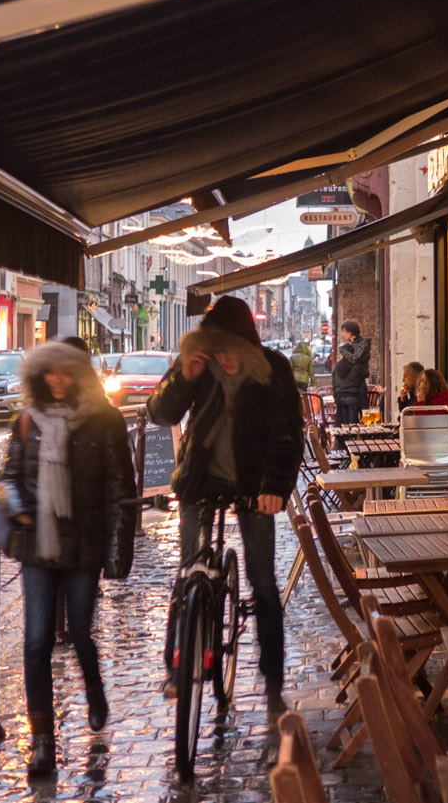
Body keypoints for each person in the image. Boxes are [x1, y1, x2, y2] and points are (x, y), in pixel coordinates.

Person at [146, 296, 304, 716]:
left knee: (263, 582)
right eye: (216, 345)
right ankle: (177, 665)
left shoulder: (272, 370)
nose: (223, 355)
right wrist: (184, 376)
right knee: (188, 572)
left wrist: (276, 487)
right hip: (201, 478)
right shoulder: (199, 366)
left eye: (229, 345)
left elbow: (288, 432)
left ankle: (272, 682)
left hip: (255, 484)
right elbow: (158, 413)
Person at [0, 342, 136, 777]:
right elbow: (8, 478)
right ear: (39, 376)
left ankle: (94, 690)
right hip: (38, 545)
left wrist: (117, 555)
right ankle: (43, 743)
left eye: (66, 373)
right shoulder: (26, 421)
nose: (57, 381)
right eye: (49, 373)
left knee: (80, 634)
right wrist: (20, 507)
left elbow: (121, 490)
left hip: (84, 546)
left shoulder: (105, 420)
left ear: (80, 375)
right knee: (37, 641)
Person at [331, 321, 370, 424]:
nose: (343, 334)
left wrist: (342, 349)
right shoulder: (357, 365)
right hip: (355, 394)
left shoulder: (361, 344)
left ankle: (343, 439)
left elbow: (334, 384)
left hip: (340, 396)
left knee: (342, 423)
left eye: (344, 331)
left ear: (350, 332)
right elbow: (365, 373)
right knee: (353, 424)